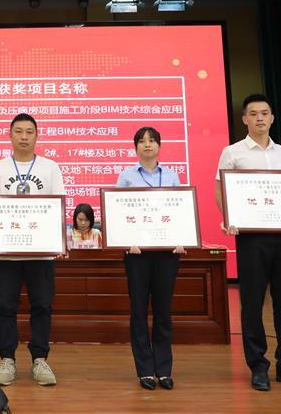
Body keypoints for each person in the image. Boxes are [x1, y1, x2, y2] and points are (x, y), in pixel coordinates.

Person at [214, 94, 281, 392]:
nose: (260, 118)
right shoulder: (232, 152)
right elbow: (220, 189)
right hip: (252, 237)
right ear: (244, 119)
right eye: (254, 113)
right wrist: (230, 217)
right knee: (252, 303)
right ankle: (258, 366)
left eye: (265, 113)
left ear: (272, 118)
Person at [0, 113, 65, 387]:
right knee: (5, 306)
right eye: (19, 131)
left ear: (37, 136)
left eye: (29, 131)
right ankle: (7, 359)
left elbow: (59, 205)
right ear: (10, 135)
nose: (24, 137)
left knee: (42, 306)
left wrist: (60, 241)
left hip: (40, 252)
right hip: (5, 252)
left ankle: (40, 359)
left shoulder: (50, 168)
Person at [115, 126, 185, 390]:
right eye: (142, 141)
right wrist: (127, 240)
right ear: (135, 147)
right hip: (137, 253)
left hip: (167, 253)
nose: (147, 145)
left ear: (159, 146)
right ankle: (145, 370)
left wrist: (181, 239)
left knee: (164, 311)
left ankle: (164, 369)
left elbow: (179, 212)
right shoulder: (126, 177)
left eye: (152, 140)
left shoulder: (171, 175)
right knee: (139, 311)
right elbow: (119, 213)